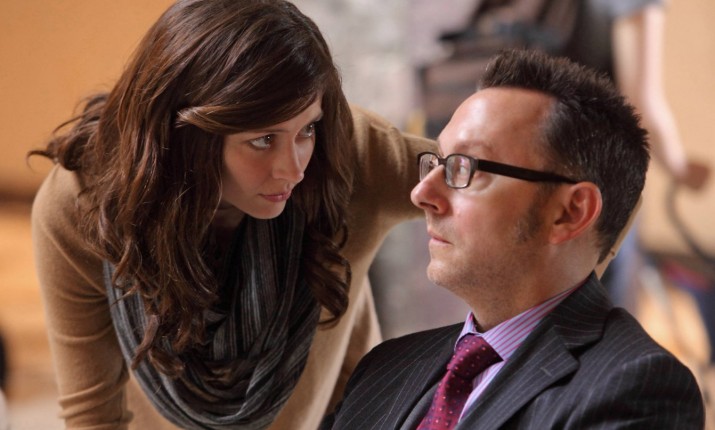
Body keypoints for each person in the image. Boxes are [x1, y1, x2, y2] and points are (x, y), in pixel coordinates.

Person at [29, 0, 433, 428]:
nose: (294, 169)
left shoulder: (347, 154)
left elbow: (474, 184)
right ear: (188, 137)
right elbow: (93, 415)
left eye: (307, 129)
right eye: (263, 140)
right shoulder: (81, 202)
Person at [323, 49, 705, 429]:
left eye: (466, 168)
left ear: (570, 212)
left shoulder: (637, 387)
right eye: (436, 162)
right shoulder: (384, 367)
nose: (421, 194)